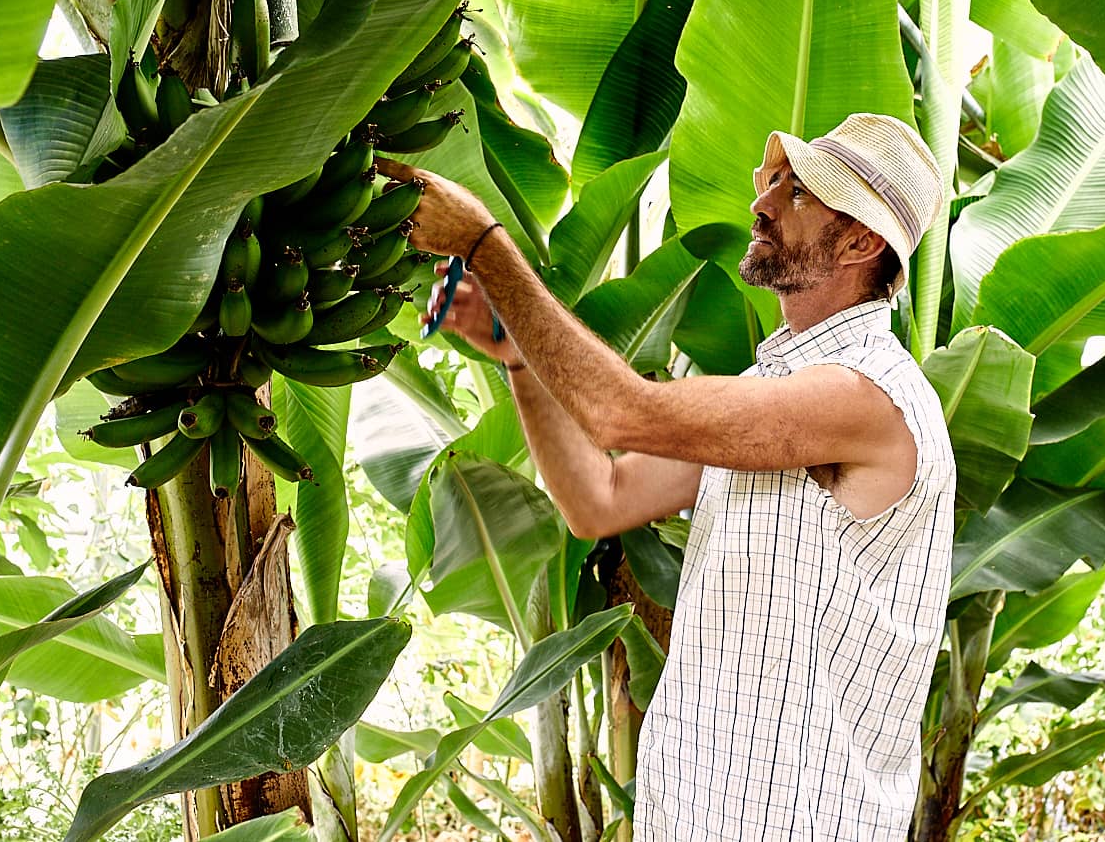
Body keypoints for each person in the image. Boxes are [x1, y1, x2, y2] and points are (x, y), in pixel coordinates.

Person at [379, 112, 956, 841]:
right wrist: (516, 354)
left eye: (799, 194)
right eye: (772, 181)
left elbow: (622, 413)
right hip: (695, 810)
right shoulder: (773, 388)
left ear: (861, 242)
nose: (763, 204)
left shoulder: (870, 397)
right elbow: (600, 498)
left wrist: (483, 246)